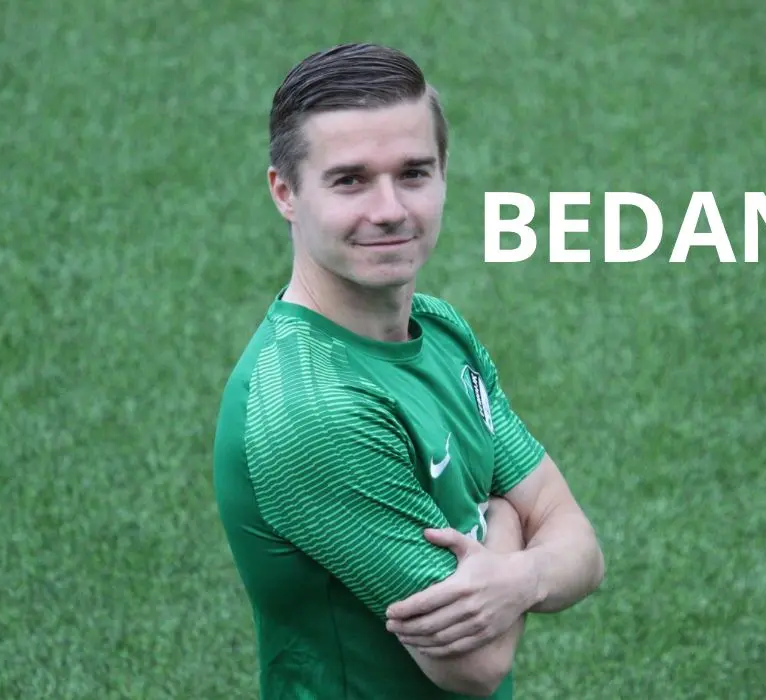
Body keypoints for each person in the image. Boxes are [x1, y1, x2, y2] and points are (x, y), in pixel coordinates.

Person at [212, 42, 605, 699]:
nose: (390, 208)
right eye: (351, 180)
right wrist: (507, 517)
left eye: (413, 173)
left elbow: (581, 547)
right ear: (285, 193)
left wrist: (515, 579)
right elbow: (474, 663)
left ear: (444, 175)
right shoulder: (313, 410)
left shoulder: (439, 328)